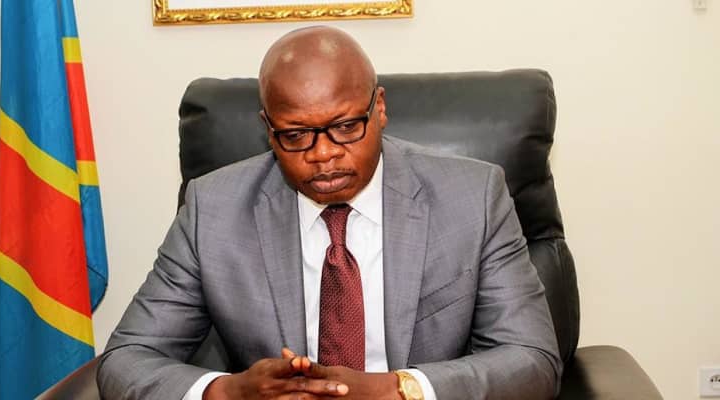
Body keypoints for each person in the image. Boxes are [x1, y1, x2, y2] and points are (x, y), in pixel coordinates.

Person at [97, 26, 561, 400]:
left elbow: (531, 359)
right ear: (268, 129)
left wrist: (395, 389)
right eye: (296, 135)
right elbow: (126, 358)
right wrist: (229, 392)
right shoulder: (213, 211)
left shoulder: (472, 198)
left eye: (345, 126)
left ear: (379, 109)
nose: (323, 154)